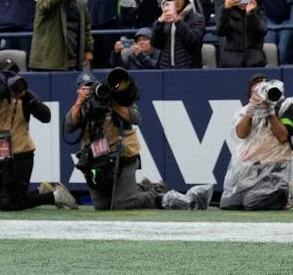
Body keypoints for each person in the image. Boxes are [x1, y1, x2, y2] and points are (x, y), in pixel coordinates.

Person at [66, 69, 211, 210]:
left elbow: (136, 118)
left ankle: (157, 196)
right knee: (101, 205)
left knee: (122, 203)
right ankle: (146, 187)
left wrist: (112, 103)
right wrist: (79, 102)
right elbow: (69, 127)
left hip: (122, 158)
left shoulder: (115, 98)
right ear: (79, 91)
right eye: (85, 89)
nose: (91, 92)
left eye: (92, 87)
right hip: (95, 163)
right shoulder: (81, 108)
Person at [0, 62, 77, 211]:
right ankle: (40, 192)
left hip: (20, 158)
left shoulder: (23, 94)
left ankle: (55, 196)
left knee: (9, 204)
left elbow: (46, 116)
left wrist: (25, 96)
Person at [221, 74, 293, 210]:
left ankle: (286, 193)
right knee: (228, 203)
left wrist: (270, 111)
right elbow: (241, 134)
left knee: (251, 203)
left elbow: (283, 137)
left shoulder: (286, 107)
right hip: (252, 167)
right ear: (251, 94)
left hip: (278, 167)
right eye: (256, 91)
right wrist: (251, 111)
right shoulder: (245, 111)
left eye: (264, 89)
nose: (261, 94)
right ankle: (264, 193)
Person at [28, 0, 93, 71]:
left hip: (74, 57)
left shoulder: (79, 2)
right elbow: (44, 5)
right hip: (48, 61)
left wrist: (88, 49)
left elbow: (86, 27)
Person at [153, 0, 206, 69]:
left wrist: (178, 21)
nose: (176, 2)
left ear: (187, 0)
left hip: (188, 68)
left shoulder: (198, 19)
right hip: (165, 68)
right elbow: (156, 43)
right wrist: (159, 23)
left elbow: (194, 43)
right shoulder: (165, 18)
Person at [216, 0, 267, 68]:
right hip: (231, 63)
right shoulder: (227, 12)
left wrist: (250, 15)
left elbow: (261, 32)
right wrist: (226, 9)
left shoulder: (258, 12)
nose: (242, 0)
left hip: (254, 63)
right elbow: (220, 31)